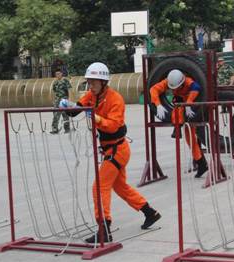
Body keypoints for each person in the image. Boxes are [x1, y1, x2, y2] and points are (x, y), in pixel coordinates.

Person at [60, 62, 161, 243]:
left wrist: (97, 118)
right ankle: (149, 212)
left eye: (93, 82)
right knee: (120, 187)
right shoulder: (92, 95)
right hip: (110, 148)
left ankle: (104, 229)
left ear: (103, 82)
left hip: (118, 149)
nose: (90, 86)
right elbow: (78, 109)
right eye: (89, 82)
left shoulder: (116, 99)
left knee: (99, 186)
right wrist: (68, 107)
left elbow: (114, 126)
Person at [150, 69, 208, 178]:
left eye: (177, 87)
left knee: (189, 134)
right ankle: (201, 164)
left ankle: (177, 127)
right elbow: (153, 89)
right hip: (180, 104)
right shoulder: (168, 81)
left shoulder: (188, 81)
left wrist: (189, 103)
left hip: (192, 108)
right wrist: (157, 104)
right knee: (190, 139)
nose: (175, 89)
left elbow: (197, 88)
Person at [50, 69, 72, 134]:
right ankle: (55, 129)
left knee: (65, 114)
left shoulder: (65, 80)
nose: (57, 75)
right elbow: (54, 91)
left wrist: (69, 99)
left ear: (61, 74)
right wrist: (53, 100)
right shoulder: (55, 82)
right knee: (55, 115)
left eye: (59, 74)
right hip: (57, 100)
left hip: (64, 99)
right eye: (56, 74)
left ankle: (67, 129)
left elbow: (69, 90)